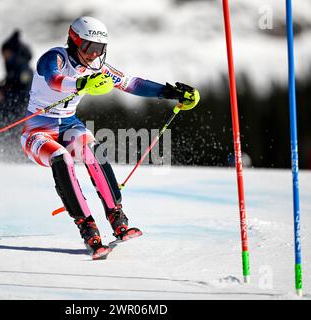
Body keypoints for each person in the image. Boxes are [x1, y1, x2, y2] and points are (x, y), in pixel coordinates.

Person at [20, 16, 200, 259]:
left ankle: (117, 217)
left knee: (92, 149)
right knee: (62, 158)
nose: (94, 55)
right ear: (75, 42)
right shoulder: (56, 57)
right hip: (37, 131)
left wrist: (171, 92)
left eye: (100, 49)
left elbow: (131, 83)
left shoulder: (97, 68)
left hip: (69, 124)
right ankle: (87, 227)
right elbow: (53, 79)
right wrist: (82, 83)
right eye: (89, 48)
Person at [0, 30, 33, 122]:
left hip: (22, 117)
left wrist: (4, 97)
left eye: (6, 53)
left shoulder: (23, 70)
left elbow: (23, 94)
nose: (4, 57)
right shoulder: (13, 71)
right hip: (16, 114)